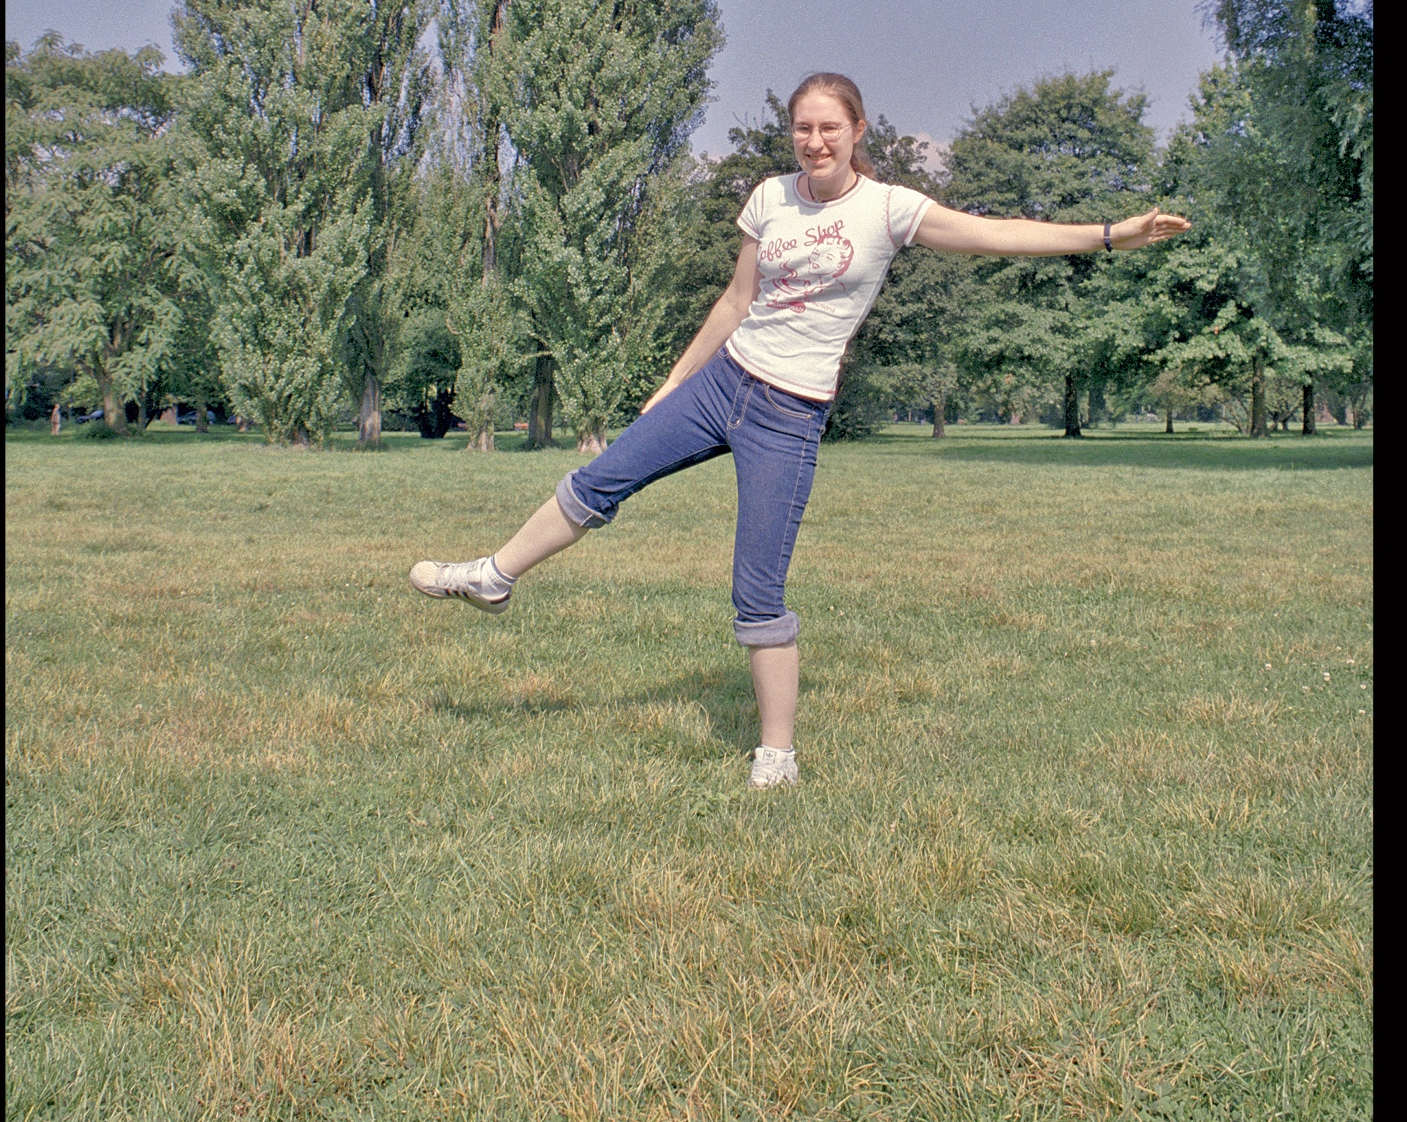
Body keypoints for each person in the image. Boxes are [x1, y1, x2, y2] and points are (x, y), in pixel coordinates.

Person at [410, 73, 1190, 788]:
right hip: (722, 383)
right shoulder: (769, 198)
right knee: (601, 479)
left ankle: (775, 754)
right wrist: (674, 383)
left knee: (756, 589)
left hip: (789, 412)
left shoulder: (888, 210)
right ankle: (494, 575)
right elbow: (733, 299)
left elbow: (1001, 233)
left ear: (857, 131)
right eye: (801, 128)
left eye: (828, 128)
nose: (813, 142)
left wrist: (1109, 234)